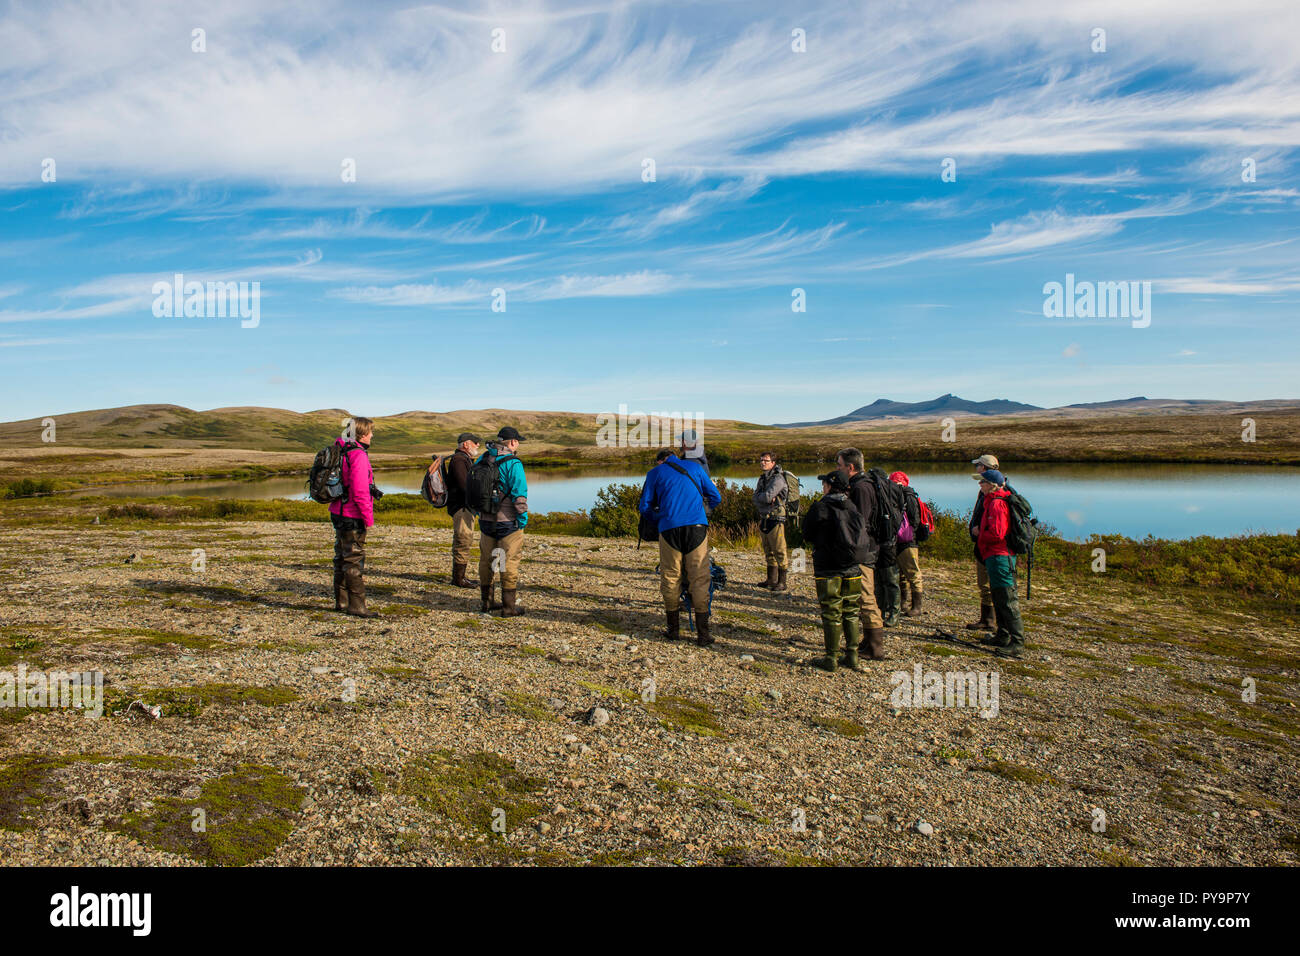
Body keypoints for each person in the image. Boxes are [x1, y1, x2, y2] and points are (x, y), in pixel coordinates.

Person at [638, 446, 721, 645]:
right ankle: (703, 634)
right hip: (697, 528)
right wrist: (701, 512)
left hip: (669, 528)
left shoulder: (654, 473)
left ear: (660, 461)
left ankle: (673, 630)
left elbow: (644, 507)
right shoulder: (695, 468)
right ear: (674, 456)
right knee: (700, 576)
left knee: (670, 575)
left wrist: (660, 517)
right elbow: (715, 497)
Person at [801, 471, 864, 672]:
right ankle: (852, 655)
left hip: (828, 567)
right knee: (851, 611)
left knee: (831, 612)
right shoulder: (853, 507)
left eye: (824, 483)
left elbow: (806, 533)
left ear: (829, 485)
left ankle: (831, 658)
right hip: (853, 566)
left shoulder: (820, 507)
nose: (822, 487)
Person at [836, 447, 886, 660]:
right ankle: (866, 642)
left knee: (866, 597)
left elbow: (861, 522)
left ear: (851, 466)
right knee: (861, 596)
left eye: (839, 465)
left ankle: (875, 647)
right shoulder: (858, 486)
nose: (837, 469)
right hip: (862, 549)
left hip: (864, 551)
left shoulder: (862, 488)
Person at [973, 469, 1026, 658]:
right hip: (994, 556)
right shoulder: (992, 501)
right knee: (998, 596)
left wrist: (980, 533)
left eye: (983, 482)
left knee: (1007, 598)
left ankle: (1017, 642)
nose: (980, 485)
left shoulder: (997, 504)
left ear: (992, 485)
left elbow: (997, 533)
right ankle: (1002, 635)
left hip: (1001, 556)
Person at [477, 427, 529, 617]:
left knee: (487, 561)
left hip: (485, 520)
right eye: (518, 442)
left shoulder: (482, 458)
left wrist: (479, 513)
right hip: (508, 522)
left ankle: (487, 602)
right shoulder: (513, 463)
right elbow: (519, 495)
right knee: (508, 562)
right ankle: (508, 607)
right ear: (513, 442)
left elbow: (474, 489)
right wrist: (522, 520)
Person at [330, 417, 378, 618]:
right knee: (354, 559)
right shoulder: (358, 455)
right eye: (370, 432)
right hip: (352, 514)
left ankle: (341, 601)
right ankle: (357, 605)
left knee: (341, 556)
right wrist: (368, 518)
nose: (372, 435)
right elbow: (360, 491)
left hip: (337, 510)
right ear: (362, 433)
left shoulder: (340, 451)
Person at [965, 454, 1001, 631]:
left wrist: (982, 532)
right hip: (983, 544)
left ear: (985, 468)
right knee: (984, 584)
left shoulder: (997, 492)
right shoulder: (985, 490)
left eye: (978, 465)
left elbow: (997, 526)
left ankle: (993, 622)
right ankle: (987, 619)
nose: (976, 469)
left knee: (992, 584)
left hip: (992, 547)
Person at [441, 432, 480, 588]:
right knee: (463, 539)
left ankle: (460, 577)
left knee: (464, 539)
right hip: (461, 507)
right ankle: (458, 579)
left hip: (464, 506)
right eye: (475, 442)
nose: (478, 445)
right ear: (466, 444)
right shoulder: (459, 460)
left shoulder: (462, 459)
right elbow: (465, 485)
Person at [867, 466, 904, 627]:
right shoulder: (894, 489)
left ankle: (892, 612)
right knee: (883, 577)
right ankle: (884, 611)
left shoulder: (880, 489)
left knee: (888, 577)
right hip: (888, 538)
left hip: (884, 539)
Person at [751, 452, 789, 591]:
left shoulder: (778, 478)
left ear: (773, 463)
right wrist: (763, 498)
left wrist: (762, 498)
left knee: (779, 550)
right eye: (761, 460)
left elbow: (766, 497)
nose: (762, 463)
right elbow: (756, 498)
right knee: (768, 550)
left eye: (766, 461)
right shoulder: (763, 479)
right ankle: (771, 580)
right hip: (765, 518)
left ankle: (782, 582)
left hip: (776, 518)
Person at [890, 470, 925, 617]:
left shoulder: (909, 497)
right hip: (900, 540)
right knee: (901, 575)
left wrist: (909, 534)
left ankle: (917, 606)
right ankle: (903, 602)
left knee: (912, 573)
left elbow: (914, 520)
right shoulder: (903, 496)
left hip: (908, 541)